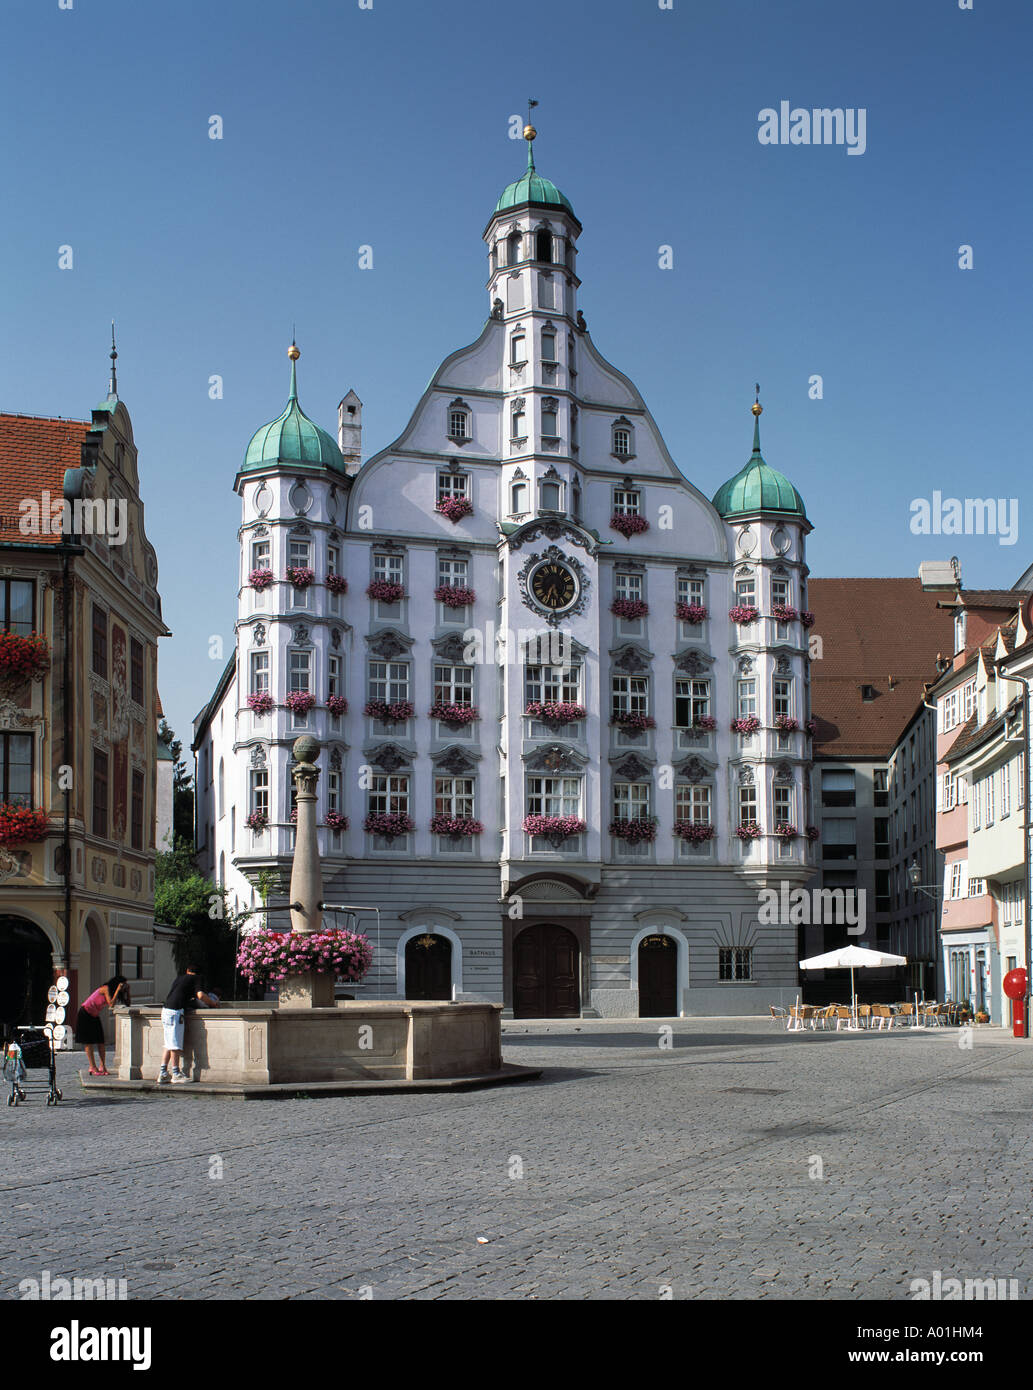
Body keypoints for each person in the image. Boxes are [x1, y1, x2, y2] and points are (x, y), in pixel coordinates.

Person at [158, 966, 219, 1084]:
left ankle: (163, 1073)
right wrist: (213, 1003)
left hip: (165, 1010)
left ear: (187, 971)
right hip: (175, 1012)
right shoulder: (196, 978)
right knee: (175, 1044)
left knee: (168, 1043)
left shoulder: (179, 978)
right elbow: (200, 995)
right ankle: (176, 1074)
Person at [74, 976, 128, 1076]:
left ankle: (102, 1066)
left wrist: (127, 992)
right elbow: (111, 1004)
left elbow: (128, 1003)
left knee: (101, 1041)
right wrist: (118, 990)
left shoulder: (112, 992)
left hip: (94, 1015)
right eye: (123, 984)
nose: (124, 986)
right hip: (85, 1013)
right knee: (88, 1042)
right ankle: (92, 1067)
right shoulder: (105, 988)